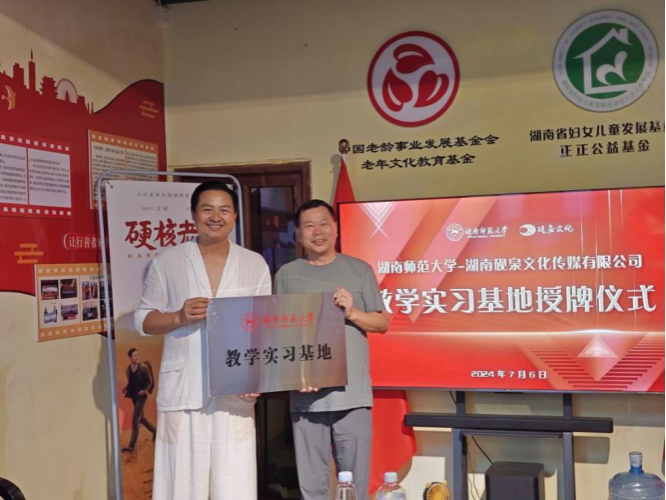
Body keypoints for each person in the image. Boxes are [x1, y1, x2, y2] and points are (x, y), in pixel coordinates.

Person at [134, 181, 271, 500]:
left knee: (234, 484)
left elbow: (265, 326)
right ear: (193, 214)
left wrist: (257, 376)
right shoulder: (168, 261)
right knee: (182, 485)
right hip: (185, 389)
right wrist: (178, 317)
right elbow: (143, 319)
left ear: (235, 216)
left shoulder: (254, 263)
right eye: (207, 209)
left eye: (224, 210)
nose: (215, 217)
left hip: (235, 389)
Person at [275, 199, 389, 500]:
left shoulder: (359, 269)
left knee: (355, 485)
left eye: (324, 223)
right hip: (306, 398)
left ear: (335, 228)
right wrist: (295, 376)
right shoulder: (287, 274)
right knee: (313, 488)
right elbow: (279, 335)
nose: (318, 231)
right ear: (298, 234)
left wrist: (352, 312)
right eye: (309, 226)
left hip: (352, 396)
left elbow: (381, 323)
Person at [121, 348, 156, 452]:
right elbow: (131, 381)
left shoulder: (143, 367)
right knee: (141, 419)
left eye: (138, 355)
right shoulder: (128, 369)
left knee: (135, 419)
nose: (137, 357)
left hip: (142, 397)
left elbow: (149, 381)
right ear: (130, 357)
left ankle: (131, 447)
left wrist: (145, 391)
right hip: (134, 396)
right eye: (135, 355)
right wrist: (125, 387)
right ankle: (155, 430)